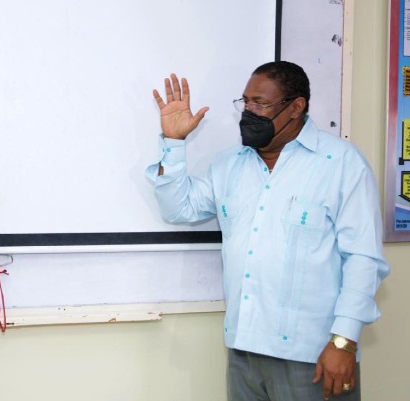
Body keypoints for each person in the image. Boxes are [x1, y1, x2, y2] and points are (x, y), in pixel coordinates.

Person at [146, 61, 389, 401]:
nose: (249, 111)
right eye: (245, 102)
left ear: (296, 107)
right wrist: (173, 143)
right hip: (244, 351)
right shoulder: (230, 164)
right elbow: (178, 208)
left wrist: (343, 341)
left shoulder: (342, 164)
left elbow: (363, 259)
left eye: (260, 103)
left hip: (314, 355)